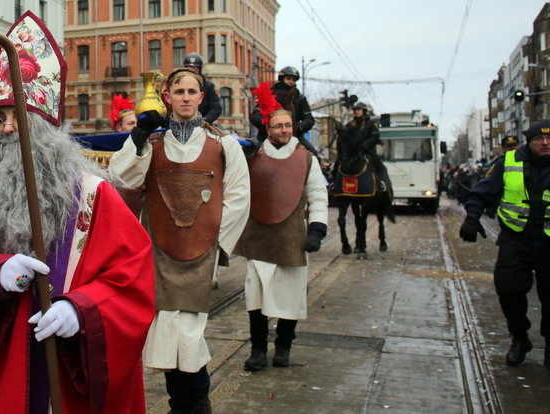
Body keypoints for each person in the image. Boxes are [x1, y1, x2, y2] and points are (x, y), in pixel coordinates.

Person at [0, 12, 155, 414]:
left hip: (62, 382)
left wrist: (80, 310)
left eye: (21, 118)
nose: (9, 129)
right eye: (0, 119)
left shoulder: (93, 195)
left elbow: (132, 279)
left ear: (47, 128)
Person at [110, 67, 250, 414]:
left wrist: (217, 245)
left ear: (201, 98)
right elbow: (120, 176)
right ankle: (182, 405)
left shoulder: (223, 144)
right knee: (166, 332)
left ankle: (196, 404)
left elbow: (238, 196)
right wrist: (139, 136)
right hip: (159, 250)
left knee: (189, 333)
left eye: (192, 91)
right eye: (179, 91)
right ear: (167, 98)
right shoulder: (152, 143)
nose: (186, 97)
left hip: (201, 251)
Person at [234, 84, 328, 370]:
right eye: (279, 126)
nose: (285, 130)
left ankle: (284, 345)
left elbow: (318, 194)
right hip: (259, 236)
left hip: (291, 237)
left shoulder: (306, 158)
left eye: (288, 125)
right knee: (256, 298)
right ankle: (259, 350)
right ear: (269, 128)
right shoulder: (253, 156)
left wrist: (317, 229)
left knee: (290, 295)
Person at [459, 119, 550, 368]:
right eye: (538, 139)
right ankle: (520, 338)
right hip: (516, 238)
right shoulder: (509, 162)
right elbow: (482, 191)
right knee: (508, 290)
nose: (545, 143)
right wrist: (471, 217)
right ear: (528, 142)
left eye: (549, 139)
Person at [249, 66, 318, 156]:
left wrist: (297, 127)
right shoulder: (269, 95)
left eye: (293, 80)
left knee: (314, 155)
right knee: (251, 156)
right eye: (288, 78)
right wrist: (269, 124)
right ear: (282, 79)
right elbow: (254, 116)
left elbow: (309, 119)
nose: (291, 82)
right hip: (268, 136)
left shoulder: (300, 98)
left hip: (294, 135)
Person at [335, 102, 392, 192]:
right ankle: (334, 184)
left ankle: (381, 182)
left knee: (379, 164)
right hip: (353, 151)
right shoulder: (351, 124)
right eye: (355, 110)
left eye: (358, 110)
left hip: (367, 150)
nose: (356, 112)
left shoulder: (371, 123)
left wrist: (366, 143)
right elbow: (346, 136)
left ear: (363, 111)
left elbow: (375, 136)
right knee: (338, 163)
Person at [183, 52, 222, 124]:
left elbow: (215, 109)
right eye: (188, 69)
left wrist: (204, 120)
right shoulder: (178, 85)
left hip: (202, 125)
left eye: (194, 68)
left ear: (199, 69)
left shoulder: (208, 87)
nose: (191, 71)